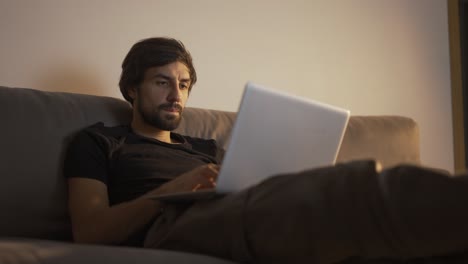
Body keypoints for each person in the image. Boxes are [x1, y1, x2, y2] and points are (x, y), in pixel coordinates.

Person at [64, 37, 468, 264]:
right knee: (351, 187)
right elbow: (90, 231)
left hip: (236, 209)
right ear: (132, 88)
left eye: (184, 84)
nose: (176, 95)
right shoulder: (100, 141)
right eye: (162, 82)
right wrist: (180, 186)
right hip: (168, 226)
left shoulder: (205, 147)